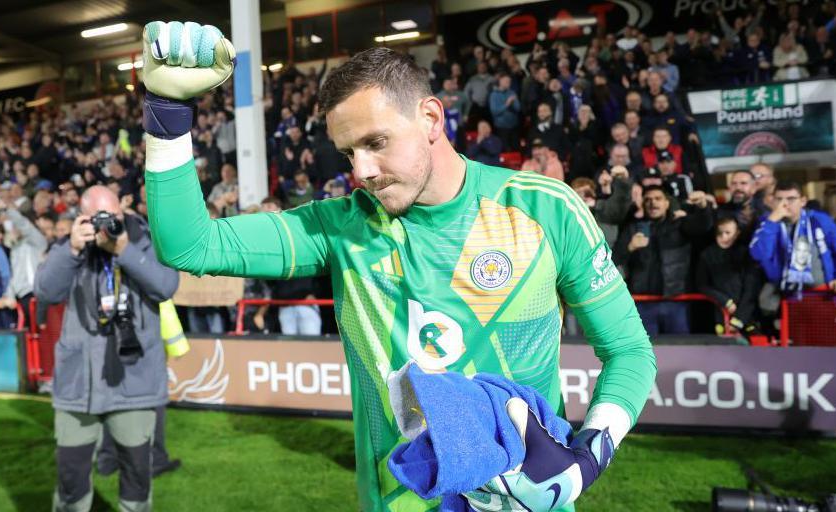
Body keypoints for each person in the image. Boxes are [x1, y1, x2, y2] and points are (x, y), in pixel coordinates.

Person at [141, 28, 655, 511]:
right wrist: (166, 113)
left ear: (431, 119)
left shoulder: (545, 208)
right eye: (348, 152)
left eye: (376, 143)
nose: (360, 171)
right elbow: (190, 246)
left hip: (522, 499)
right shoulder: (340, 228)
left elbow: (629, 350)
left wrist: (590, 453)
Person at [34, 185, 179, 512]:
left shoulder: (145, 240)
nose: (106, 223)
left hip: (133, 378)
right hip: (78, 384)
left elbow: (166, 286)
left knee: (137, 473)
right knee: (71, 473)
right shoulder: (71, 246)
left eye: (112, 216)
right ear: (81, 216)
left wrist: (124, 250)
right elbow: (45, 291)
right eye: (97, 216)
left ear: (123, 208)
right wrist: (71, 249)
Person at [614, 188, 714, 336]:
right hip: (642, 302)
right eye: (647, 199)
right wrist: (630, 247)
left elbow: (704, 225)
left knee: (679, 352)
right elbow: (613, 260)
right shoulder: (633, 229)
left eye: (657, 198)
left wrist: (702, 207)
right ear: (643, 204)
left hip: (676, 301)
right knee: (645, 354)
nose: (652, 202)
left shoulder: (680, 224)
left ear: (667, 204)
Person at [750, 181, 836, 298]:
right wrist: (772, 221)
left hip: (822, 293)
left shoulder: (820, 220)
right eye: (779, 199)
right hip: (782, 294)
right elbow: (759, 255)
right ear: (773, 201)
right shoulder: (767, 222)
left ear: (803, 201)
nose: (785, 204)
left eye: (791, 199)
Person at [696, 217, 762, 336]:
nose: (723, 237)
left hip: (747, 319)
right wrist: (725, 301)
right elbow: (702, 285)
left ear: (737, 234)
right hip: (719, 318)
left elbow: (751, 291)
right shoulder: (707, 255)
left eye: (728, 233)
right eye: (720, 233)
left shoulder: (746, 255)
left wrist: (738, 320)